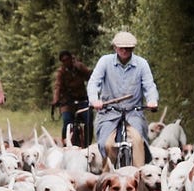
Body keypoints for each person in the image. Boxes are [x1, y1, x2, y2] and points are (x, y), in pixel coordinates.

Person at [88, 31, 159, 165]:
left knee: (138, 141)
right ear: (115, 47)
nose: (125, 51)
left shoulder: (142, 64)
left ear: (133, 48)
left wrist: (152, 100)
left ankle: (138, 174)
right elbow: (93, 82)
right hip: (109, 113)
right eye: (121, 48)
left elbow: (149, 86)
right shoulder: (105, 61)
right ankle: (109, 174)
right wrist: (94, 100)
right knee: (106, 144)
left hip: (133, 113)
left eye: (128, 48)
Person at [52, 50, 93, 145]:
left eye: (67, 59)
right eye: (64, 60)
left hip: (82, 99)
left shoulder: (79, 67)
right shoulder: (61, 72)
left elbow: (90, 77)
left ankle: (87, 144)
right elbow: (57, 86)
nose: (66, 62)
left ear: (71, 58)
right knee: (67, 121)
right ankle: (65, 143)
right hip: (67, 101)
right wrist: (56, 99)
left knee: (88, 119)